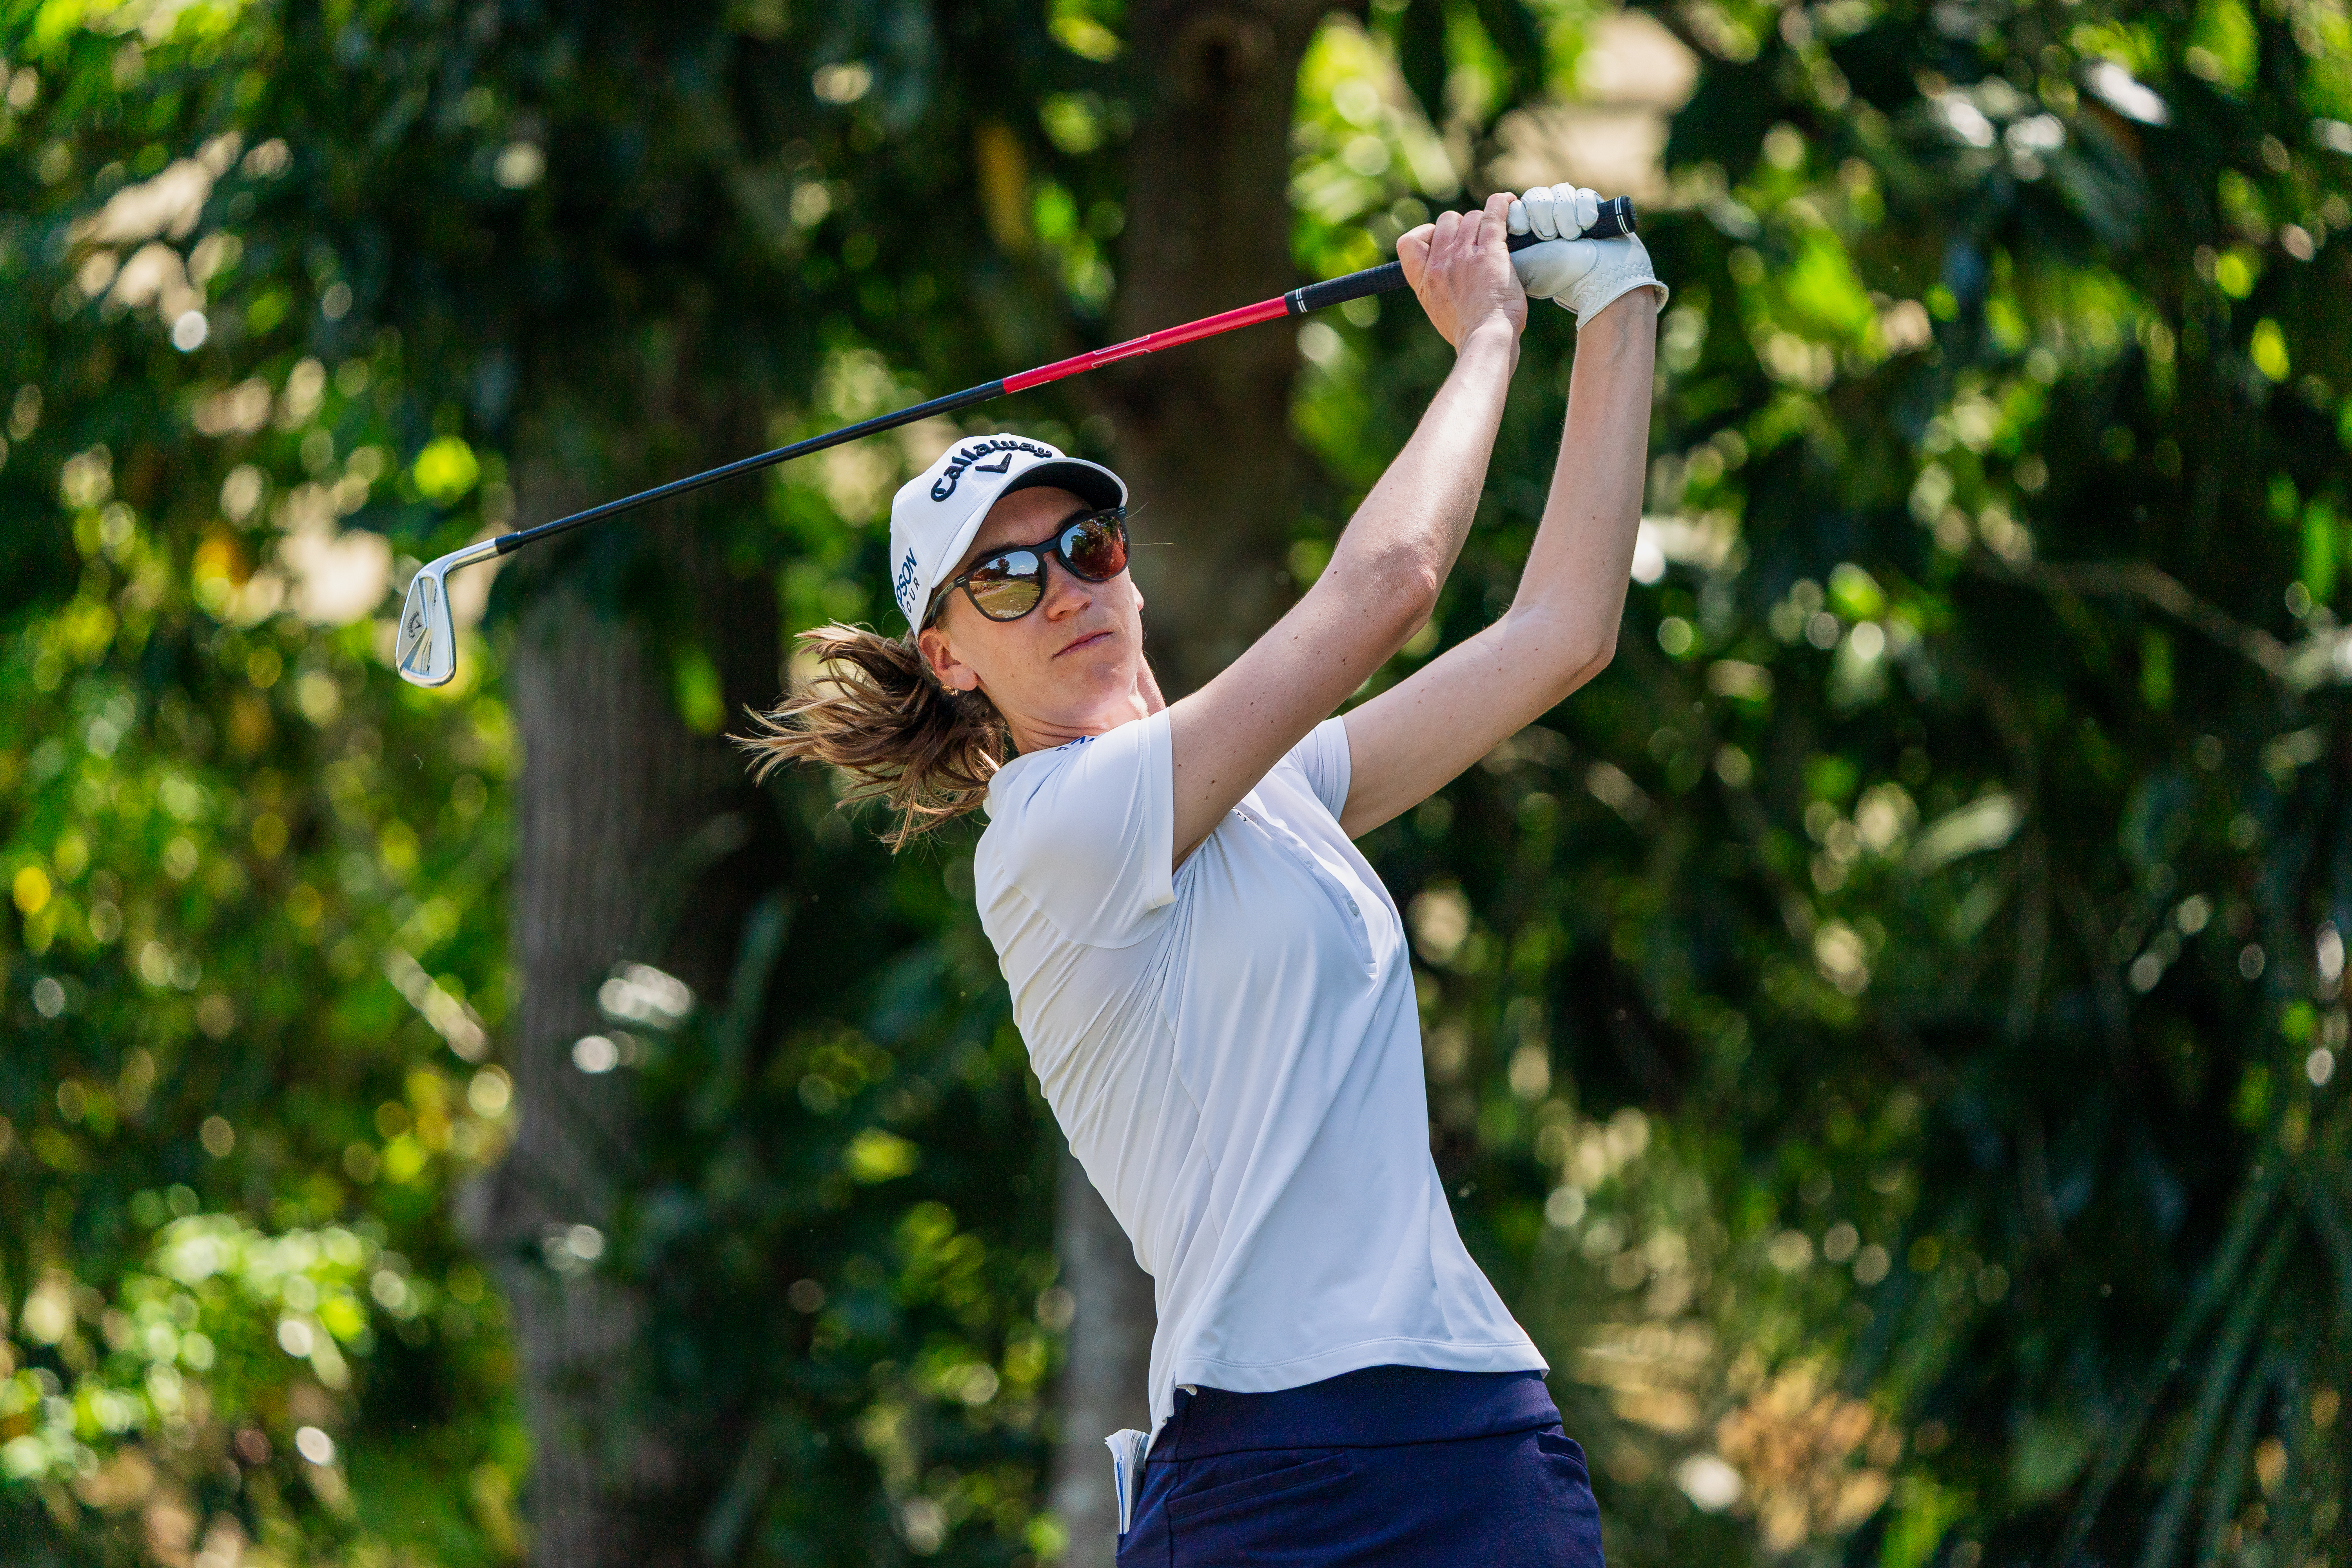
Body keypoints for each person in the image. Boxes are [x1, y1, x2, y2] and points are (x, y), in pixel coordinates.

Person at [743, 184, 1663, 1565]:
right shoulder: (1049, 828)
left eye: (1084, 547)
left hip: (1483, 1434)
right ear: (949, 658)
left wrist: (1619, 304)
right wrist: (1483, 339)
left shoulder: (1280, 790)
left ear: (1128, 571)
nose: (1062, 589)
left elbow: (1562, 631)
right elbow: (1390, 583)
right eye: (1000, 582)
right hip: (1272, 1474)